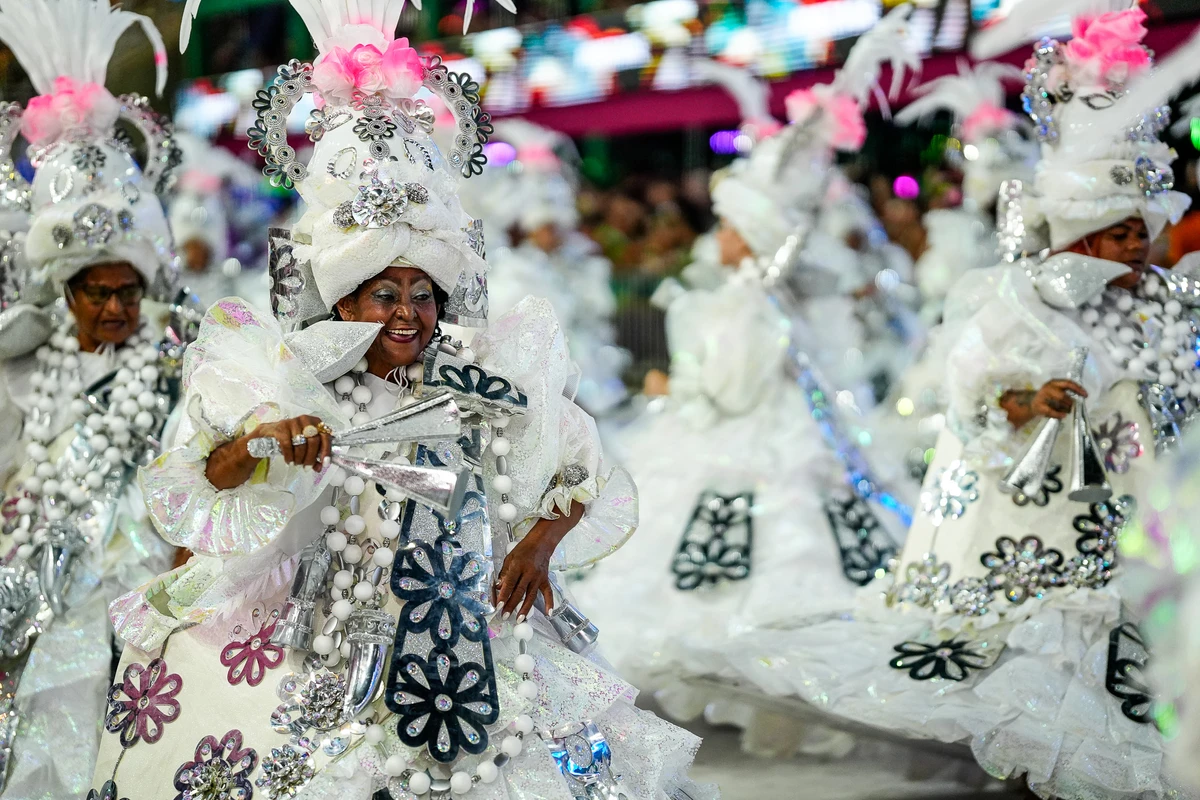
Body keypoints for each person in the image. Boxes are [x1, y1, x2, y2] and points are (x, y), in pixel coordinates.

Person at [90, 6, 712, 799]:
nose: (407, 313)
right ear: (345, 300)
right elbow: (206, 476)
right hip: (323, 636)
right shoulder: (288, 379)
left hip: (477, 638)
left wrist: (537, 545)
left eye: (423, 292)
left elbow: (581, 468)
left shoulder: (480, 374)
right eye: (384, 292)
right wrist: (266, 443)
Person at [710, 10, 1198, 798]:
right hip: (1037, 515)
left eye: (1140, 232)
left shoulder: (1166, 300)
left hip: (1152, 502)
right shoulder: (1019, 295)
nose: (1133, 247)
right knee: (1038, 659)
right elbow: (972, 388)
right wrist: (1028, 401)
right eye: (1114, 234)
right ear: (1079, 232)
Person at [570, 9, 918, 758]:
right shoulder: (767, 299)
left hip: (738, 437)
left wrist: (676, 379)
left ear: (749, 237)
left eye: (728, 225)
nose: (716, 236)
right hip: (779, 432)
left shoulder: (740, 302)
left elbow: (727, 388)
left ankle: (751, 691)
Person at [0, 1, 186, 794]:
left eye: (127, 292)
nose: (115, 308)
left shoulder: (181, 359)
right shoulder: (20, 365)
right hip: (38, 581)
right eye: (96, 293)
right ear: (65, 291)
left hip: (145, 579)